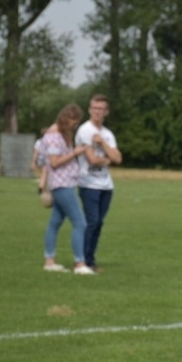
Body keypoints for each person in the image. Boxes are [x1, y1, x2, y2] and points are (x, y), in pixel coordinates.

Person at [41, 104, 95, 275]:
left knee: (55, 223)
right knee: (80, 223)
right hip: (62, 185)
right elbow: (54, 162)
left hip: (65, 183)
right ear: (66, 118)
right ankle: (80, 263)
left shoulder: (60, 134)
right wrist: (76, 152)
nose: (75, 125)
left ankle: (49, 261)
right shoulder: (54, 136)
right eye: (74, 121)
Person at [76, 94, 122, 273]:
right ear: (89, 110)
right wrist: (106, 159)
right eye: (94, 108)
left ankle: (90, 259)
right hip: (88, 183)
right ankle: (83, 261)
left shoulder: (107, 134)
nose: (97, 112)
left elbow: (117, 158)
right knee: (92, 221)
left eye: (101, 109)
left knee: (98, 223)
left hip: (106, 185)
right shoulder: (84, 131)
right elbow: (93, 160)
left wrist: (102, 143)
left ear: (106, 112)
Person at [32, 127, 49, 194]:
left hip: (40, 159)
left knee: (43, 174)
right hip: (47, 159)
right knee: (45, 174)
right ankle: (41, 187)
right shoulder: (50, 141)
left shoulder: (38, 142)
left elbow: (36, 152)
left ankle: (42, 187)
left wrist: (34, 162)